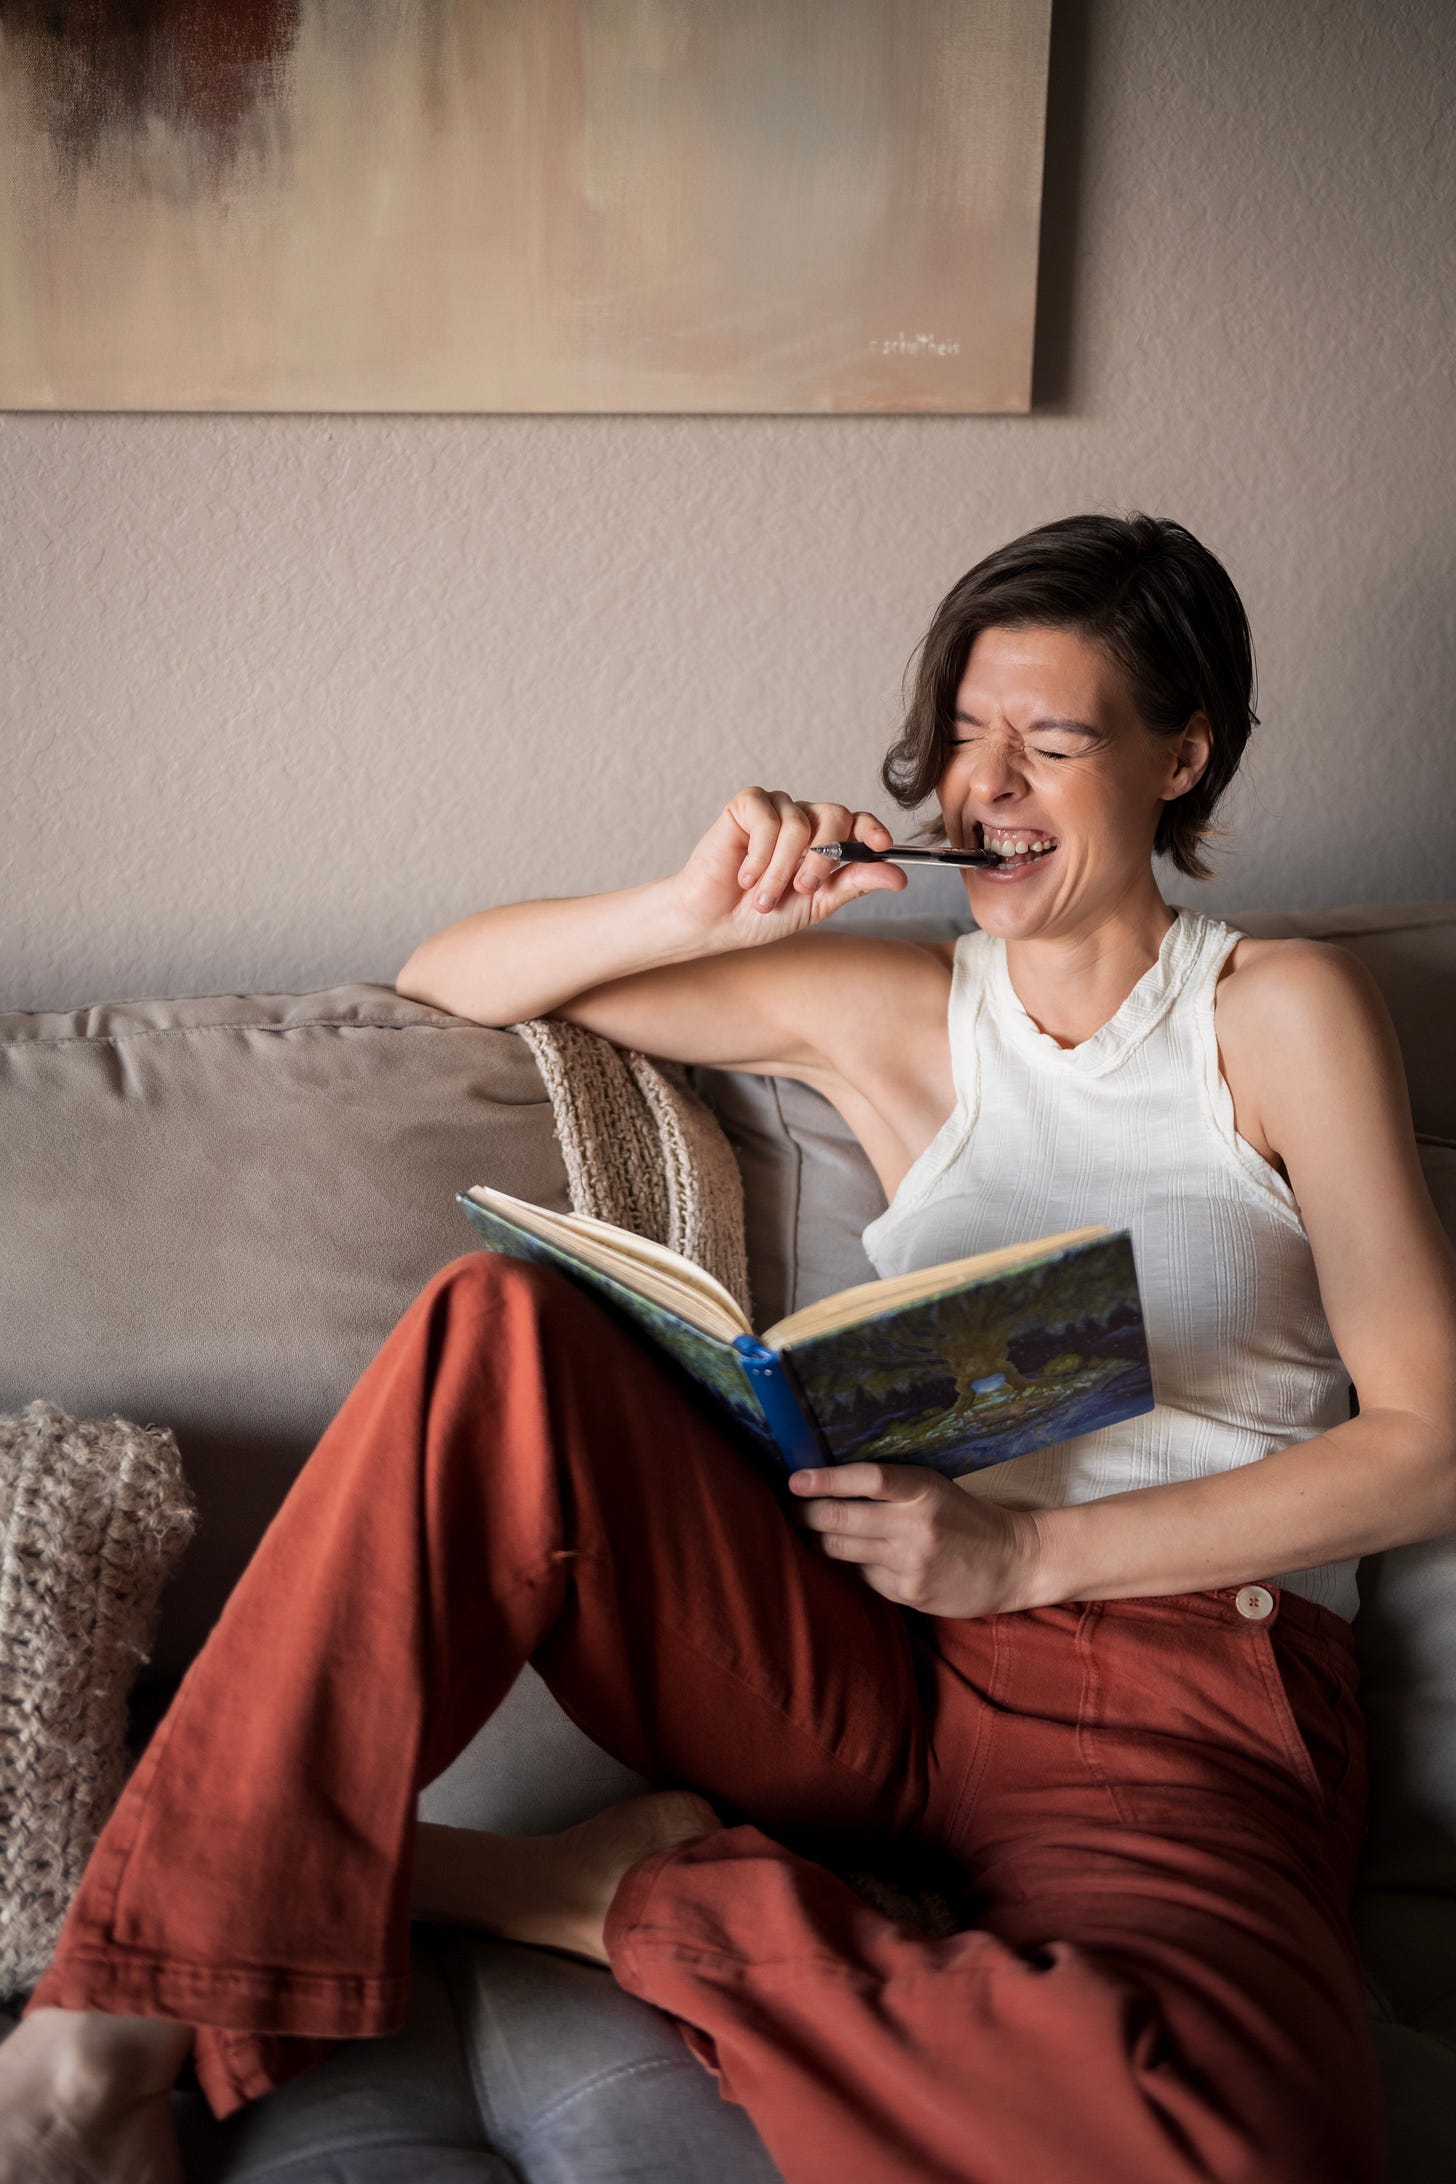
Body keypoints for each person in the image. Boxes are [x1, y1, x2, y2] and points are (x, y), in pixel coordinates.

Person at [3, 512, 1453, 2184]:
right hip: (865, 1663)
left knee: (1238, 2145)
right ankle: (89, 2049)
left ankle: (592, 1893)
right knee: (502, 1334)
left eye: (1052, 745)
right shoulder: (892, 1011)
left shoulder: (1279, 1014)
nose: (989, 788)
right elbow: (449, 986)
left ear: (1180, 758)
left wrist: (1036, 1554)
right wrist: (694, 904)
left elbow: (1426, 1442)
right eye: (968, 737)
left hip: (1175, 1696)